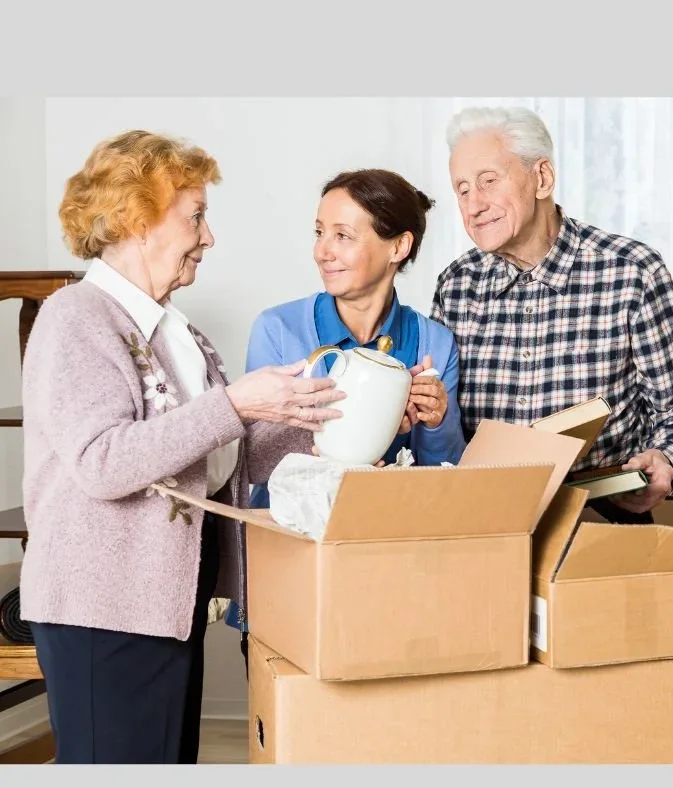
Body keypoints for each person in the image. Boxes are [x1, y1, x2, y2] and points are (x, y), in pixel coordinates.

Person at [18, 130, 346, 764]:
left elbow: (226, 453)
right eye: (196, 216)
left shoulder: (178, 331)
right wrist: (234, 404)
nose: (209, 236)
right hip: (102, 607)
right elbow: (104, 461)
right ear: (139, 220)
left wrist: (334, 405)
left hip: (166, 602)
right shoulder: (75, 316)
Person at [224, 167, 466, 668]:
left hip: (391, 568)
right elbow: (252, 459)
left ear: (398, 247)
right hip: (289, 561)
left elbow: (444, 474)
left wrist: (437, 420)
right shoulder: (278, 329)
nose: (322, 250)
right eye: (319, 233)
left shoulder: (434, 342)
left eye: (342, 236)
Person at [430, 106, 673, 524]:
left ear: (542, 178)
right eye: (463, 189)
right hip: (484, 522)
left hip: (601, 518)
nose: (474, 204)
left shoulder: (630, 271)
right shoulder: (455, 286)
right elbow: (440, 421)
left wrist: (666, 460)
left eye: (489, 181)